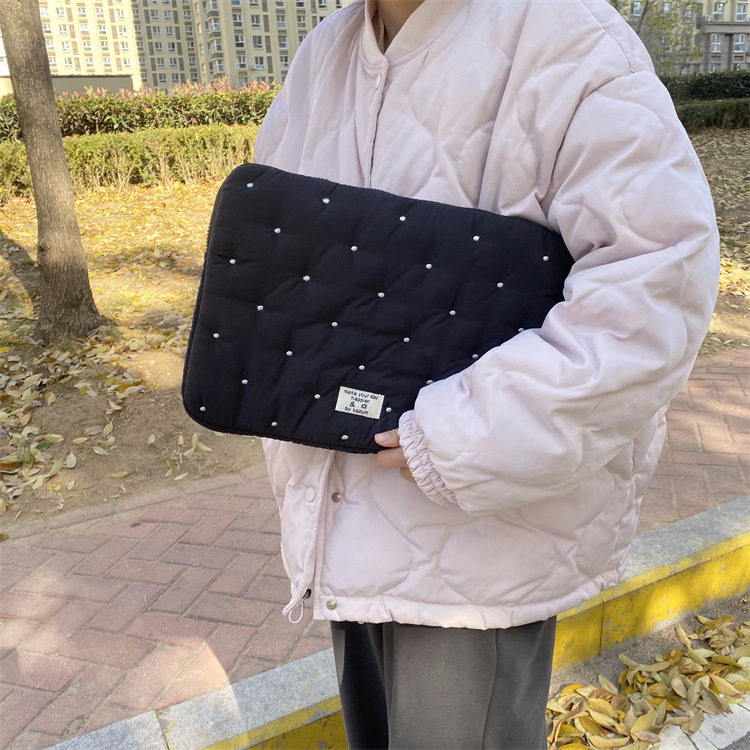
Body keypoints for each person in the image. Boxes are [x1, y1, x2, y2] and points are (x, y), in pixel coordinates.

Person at [252, 0, 719, 747]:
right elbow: (283, 245)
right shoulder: (327, 54)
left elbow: (657, 289)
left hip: (479, 542)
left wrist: (462, 435)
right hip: (344, 516)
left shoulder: (570, 37)